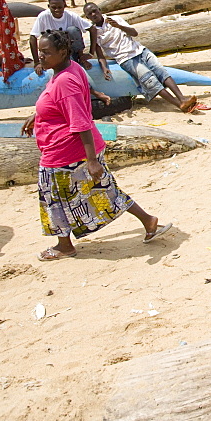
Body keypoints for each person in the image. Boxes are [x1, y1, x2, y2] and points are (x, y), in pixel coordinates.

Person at [21, 31, 171, 261]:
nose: (40, 56)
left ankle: (64, 245)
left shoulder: (65, 80)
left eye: (45, 52)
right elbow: (63, 104)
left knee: (54, 198)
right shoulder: (70, 68)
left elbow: (79, 119)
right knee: (106, 190)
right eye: (40, 51)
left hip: (66, 152)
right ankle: (148, 221)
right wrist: (38, 115)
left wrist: (91, 160)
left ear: (62, 52)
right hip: (74, 149)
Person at [83, 3, 200, 113]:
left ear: (99, 10)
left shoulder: (115, 19)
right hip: (125, 59)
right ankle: (178, 104)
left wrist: (118, 26)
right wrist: (104, 68)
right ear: (88, 17)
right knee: (149, 80)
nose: (94, 15)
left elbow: (134, 33)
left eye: (94, 11)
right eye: (90, 14)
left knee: (161, 72)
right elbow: (99, 54)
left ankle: (182, 98)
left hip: (140, 50)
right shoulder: (94, 32)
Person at [29, 0, 97, 74]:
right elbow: (33, 37)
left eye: (60, 7)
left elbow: (92, 29)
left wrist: (91, 53)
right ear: (48, 6)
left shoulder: (71, 16)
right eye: (53, 7)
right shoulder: (43, 17)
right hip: (54, 53)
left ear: (64, 6)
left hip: (68, 51)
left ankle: (80, 58)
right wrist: (37, 62)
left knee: (72, 30)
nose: (57, 10)